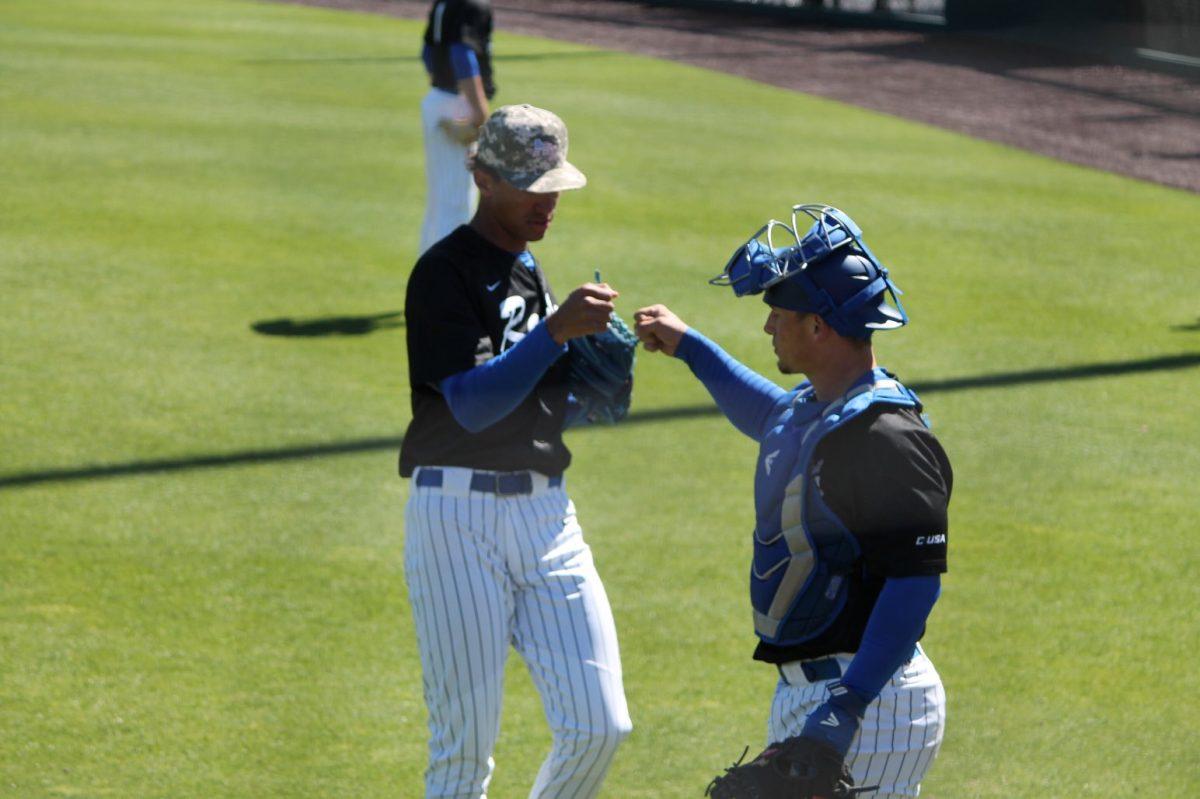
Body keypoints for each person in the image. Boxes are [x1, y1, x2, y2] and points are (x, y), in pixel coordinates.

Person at [634, 205, 951, 798]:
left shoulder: (885, 436)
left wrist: (846, 708)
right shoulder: (815, 410)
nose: (767, 328)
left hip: (867, 698)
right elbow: (767, 411)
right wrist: (690, 348)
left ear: (817, 328)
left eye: (777, 315)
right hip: (822, 696)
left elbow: (915, 583)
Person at [399, 104, 632, 799]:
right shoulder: (443, 273)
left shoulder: (531, 271)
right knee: (463, 752)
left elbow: (535, 398)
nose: (549, 199)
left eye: (555, 182)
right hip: (455, 519)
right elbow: (469, 406)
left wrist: (593, 374)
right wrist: (554, 334)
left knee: (601, 724)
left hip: (547, 519)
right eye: (533, 184)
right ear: (484, 176)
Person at [419, 0, 495, 254]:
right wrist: (480, 112)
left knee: (441, 204)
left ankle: (429, 280)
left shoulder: (445, 2)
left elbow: (428, 52)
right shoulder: (472, 4)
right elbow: (461, 52)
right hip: (459, 104)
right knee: (456, 206)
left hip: (438, 100)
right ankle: (446, 283)